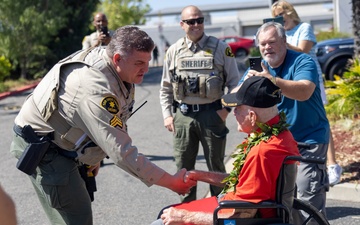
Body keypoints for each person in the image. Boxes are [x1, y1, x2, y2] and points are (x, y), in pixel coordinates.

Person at [10, 26, 196, 225]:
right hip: (44, 148)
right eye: (140, 63)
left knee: (79, 207)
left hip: (67, 141)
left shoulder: (118, 69)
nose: (147, 69)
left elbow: (111, 120)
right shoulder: (94, 87)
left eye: (148, 61)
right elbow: (121, 152)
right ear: (117, 59)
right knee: (76, 216)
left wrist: (93, 156)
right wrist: (171, 182)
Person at [151, 76, 300, 225]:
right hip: (234, 205)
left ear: (252, 117)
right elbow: (244, 181)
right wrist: (200, 175)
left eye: (238, 109)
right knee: (167, 212)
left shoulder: (262, 151)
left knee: (160, 221)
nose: (233, 113)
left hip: (240, 215)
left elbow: (240, 217)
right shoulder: (279, 136)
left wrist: (185, 217)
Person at [241, 22, 330, 223]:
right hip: (277, 143)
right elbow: (236, 98)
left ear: (284, 41)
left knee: (309, 197)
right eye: (262, 44)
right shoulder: (258, 68)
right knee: (281, 201)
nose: (266, 47)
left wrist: (272, 80)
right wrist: (246, 85)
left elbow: (304, 91)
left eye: (272, 42)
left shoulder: (302, 61)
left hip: (309, 138)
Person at [159, 5, 241, 203]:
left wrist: (226, 110)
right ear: (182, 24)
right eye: (191, 21)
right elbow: (165, 88)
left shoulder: (221, 48)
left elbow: (235, 84)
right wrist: (167, 115)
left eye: (200, 20)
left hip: (212, 115)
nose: (196, 25)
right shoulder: (173, 52)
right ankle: (188, 211)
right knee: (183, 168)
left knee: (216, 166)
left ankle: (220, 208)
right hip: (183, 116)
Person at [271, 0, 342, 187]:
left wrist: (280, 41)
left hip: (309, 78)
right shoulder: (279, 33)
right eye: (275, 17)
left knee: (320, 118)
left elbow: (303, 50)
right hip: (288, 79)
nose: (279, 19)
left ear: (289, 12)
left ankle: (332, 163)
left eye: (281, 15)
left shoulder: (304, 28)